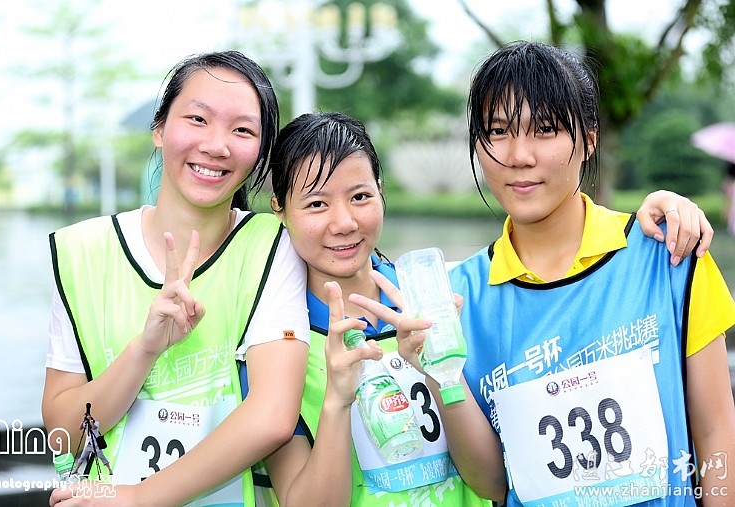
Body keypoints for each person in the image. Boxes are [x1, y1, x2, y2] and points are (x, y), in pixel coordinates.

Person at [255, 111, 719, 507]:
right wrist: (337, 401)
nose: (344, 222)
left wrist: (664, 210)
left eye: (360, 197)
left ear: (381, 191)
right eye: (316, 203)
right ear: (279, 209)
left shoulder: (445, 295)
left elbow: (495, 473)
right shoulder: (271, 340)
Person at [352, 41, 735, 506]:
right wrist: (440, 373)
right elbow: (494, 483)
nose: (519, 155)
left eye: (545, 129)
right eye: (498, 131)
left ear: (589, 139)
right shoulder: (456, 298)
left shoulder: (670, 255)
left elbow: (717, 435)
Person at [44, 50, 310, 506]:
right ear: (159, 128)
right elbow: (63, 435)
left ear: (260, 151)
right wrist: (144, 350)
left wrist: (137, 498)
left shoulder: (273, 244)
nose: (217, 145)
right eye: (198, 119)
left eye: (243, 130)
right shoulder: (81, 251)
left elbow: (272, 416)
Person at [72, 407, 113, 477]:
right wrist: (83, 420)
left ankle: (110, 470)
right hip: (88, 445)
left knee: (102, 457)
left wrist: (90, 420)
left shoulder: (96, 423)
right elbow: (80, 428)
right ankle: (76, 470)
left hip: (96, 445)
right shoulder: (85, 424)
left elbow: (93, 427)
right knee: (82, 457)